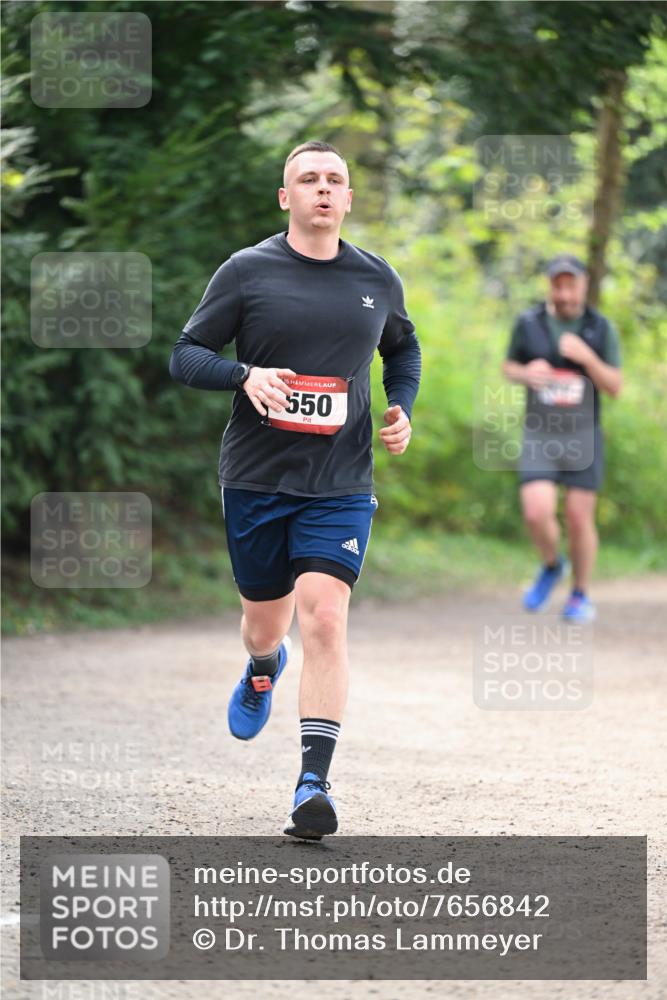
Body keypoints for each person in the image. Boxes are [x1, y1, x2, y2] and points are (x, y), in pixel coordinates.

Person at [169, 140, 421, 839]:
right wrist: (242, 375)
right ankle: (260, 667)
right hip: (255, 476)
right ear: (286, 198)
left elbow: (401, 348)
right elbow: (185, 355)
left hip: (340, 482)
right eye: (307, 178)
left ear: (347, 199)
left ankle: (313, 781)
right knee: (265, 622)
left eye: (333, 179)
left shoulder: (375, 278)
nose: (321, 188)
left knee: (325, 616)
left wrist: (402, 405)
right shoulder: (247, 272)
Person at [502, 254, 623, 622]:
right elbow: (509, 368)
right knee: (536, 512)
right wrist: (527, 373)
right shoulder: (529, 322)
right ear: (550, 284)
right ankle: (553, 564)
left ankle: (580, 594)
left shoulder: (601, 328)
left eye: (571, 283)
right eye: (558, 283)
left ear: (584, 285)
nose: (564, 290)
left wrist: (588, 358)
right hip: (540, 431)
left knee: (577, 516)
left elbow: (615, 386)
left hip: (583, 434)